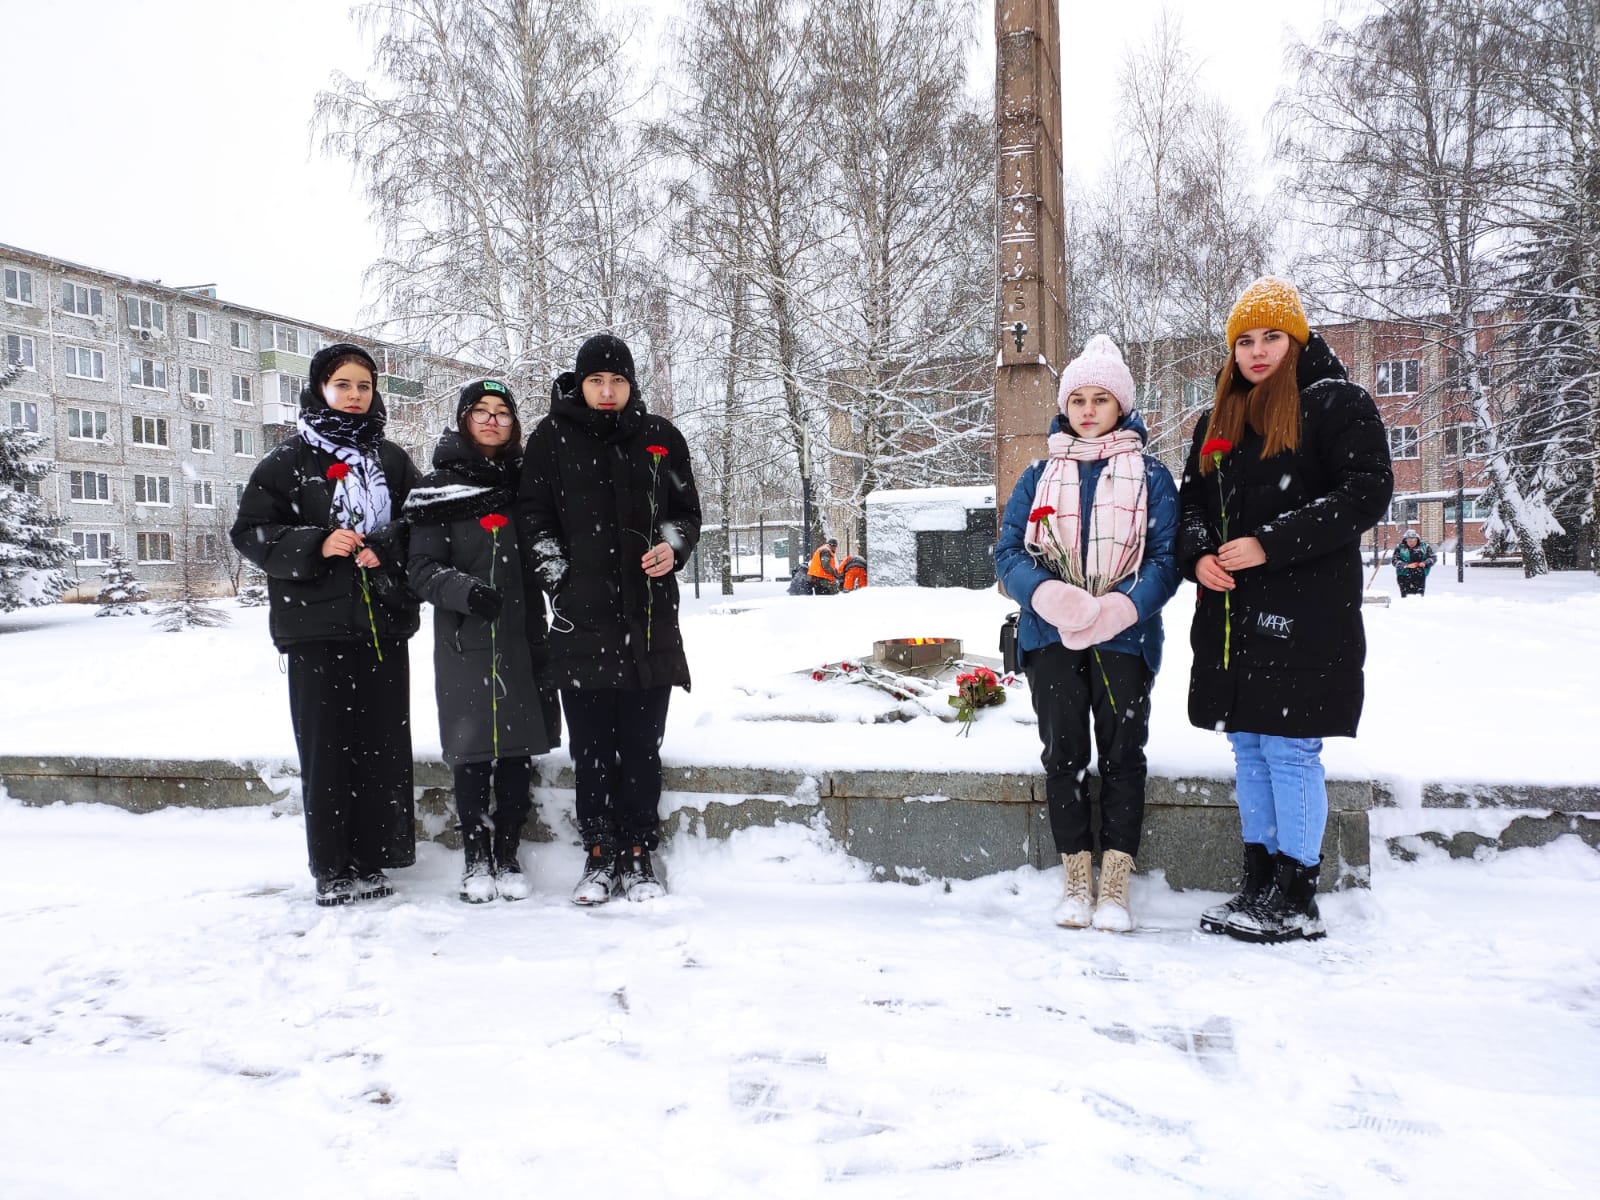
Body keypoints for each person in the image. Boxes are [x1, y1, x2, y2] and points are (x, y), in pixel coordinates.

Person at [1179, 277, 1393, 943]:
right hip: (1233, 619)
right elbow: (1190, 505)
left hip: (1305, 615)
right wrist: (1199, 558)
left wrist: (1267, 544)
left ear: (1296, 338)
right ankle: (1259, 880)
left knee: (1291, 749)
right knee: (1249, 747)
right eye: (1245, 340)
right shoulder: (1219, 418)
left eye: (1272, 336)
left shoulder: (1336, 404)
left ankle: (1297, 894)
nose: (1258, 351)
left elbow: (1367, 492)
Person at [994, 335, 1181, 933]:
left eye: (1102, 399)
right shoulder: (1039, 474)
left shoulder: (1151, 475)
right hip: (1051, 637)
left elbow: (1165, 558)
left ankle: (1116, 883)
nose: (1090, 410)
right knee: (1064, 754)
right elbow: (1008, 553)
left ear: (1121, 407)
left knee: (1124, 756)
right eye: (1079, 399)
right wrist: (1050, 594)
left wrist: (1121, 609)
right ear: (1066, 406)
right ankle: (1077, 874)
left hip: (1124, 639)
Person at [230, 343, 422, 907]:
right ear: (320, 389)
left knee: (381, 747)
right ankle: (332, 866)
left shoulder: (390, 460)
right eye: (343, 385)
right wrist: (319, 542)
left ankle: (371, 857)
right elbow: (252, 533)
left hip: (382, 625)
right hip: (316, 631)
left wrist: (384, 549)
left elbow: (420, 523)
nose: (355, 396)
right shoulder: (288, 462)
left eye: (363, 386)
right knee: (327, 749)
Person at [520, 334, 701, 904]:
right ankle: (599, 853)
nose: (606, 391)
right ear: (580, 383)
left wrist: (673, 547)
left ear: (630, 384)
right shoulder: (551, 439)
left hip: (649, 621)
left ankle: (640, 852)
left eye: (617, 381)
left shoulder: (660, 438)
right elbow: (534, 515)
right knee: (592, 747)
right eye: (596, 381)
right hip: (582, 622)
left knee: (642, 744)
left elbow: (686, 513)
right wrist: (560, 577)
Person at [404, 380, 554, 903]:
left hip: (522, 636)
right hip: (466, 640)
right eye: (481, 412)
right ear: (464, 419)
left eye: (503, 413)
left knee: (516, 753)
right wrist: (465, 591)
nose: (492, 421)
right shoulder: (437, 488)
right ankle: (475, 860)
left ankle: (507, 855)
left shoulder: (525, 485)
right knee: (471, 754)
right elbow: (420, 568)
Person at [1393, 529, 1436, 597]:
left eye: (1414, 541)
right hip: (1404, 575)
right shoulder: (1400, 547)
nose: (1412, 543)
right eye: (1409, 541)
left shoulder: (1425, 546)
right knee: (1406, 596)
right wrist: (1406, 565)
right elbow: (1395, 560)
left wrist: (1425, 563)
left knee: (1419, 596)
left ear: (1417, 539)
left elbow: (1433, 557)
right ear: (1405, 540)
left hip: (1420, 574)